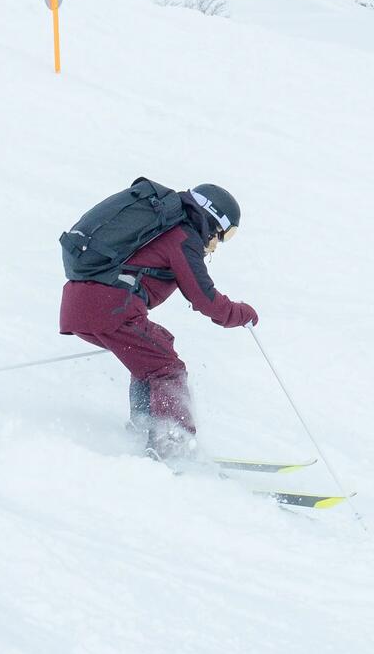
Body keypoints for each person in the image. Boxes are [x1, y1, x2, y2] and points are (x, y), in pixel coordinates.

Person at [58, 180, 257, 460]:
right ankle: (173, 444)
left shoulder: (166, 229)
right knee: (166, 368)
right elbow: (204, 298)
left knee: (158, 348)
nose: (218, 244)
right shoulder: (183, 237)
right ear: (213, 221)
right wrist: (242, 313)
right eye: (225, 234)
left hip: (83, 304)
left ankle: (144, 430)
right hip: (110, 308)